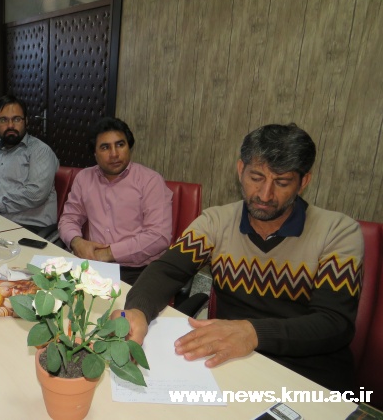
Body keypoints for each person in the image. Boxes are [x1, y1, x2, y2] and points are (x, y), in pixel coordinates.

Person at [118, 123, 363, 392]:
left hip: (309, 374)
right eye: (256, 177)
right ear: (240, 170)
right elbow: (167, 270)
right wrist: (138, 310)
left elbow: (334, 323)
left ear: (303, 182)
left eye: (281, 182)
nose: (265, 194)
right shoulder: (216, 221)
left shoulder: (337, 231)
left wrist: (254, 332)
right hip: (232, 364)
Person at [58, 117, 172, 285]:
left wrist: (109, 253)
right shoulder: (84, 178)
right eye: (105, 147)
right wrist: (76, 241)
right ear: (94, 153)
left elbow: (159, 236)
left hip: (137, 271)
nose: (114, 154)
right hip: (93, 264)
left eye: (120, 145)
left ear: (129, 147)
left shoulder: (150, 181)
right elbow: (69, 218)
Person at [0, 95, 59, 233]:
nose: (10, 126)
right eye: (3, 120)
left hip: (28, 227)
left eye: (17, 119)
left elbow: (35, 194)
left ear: (26, 121)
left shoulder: (40, 151)